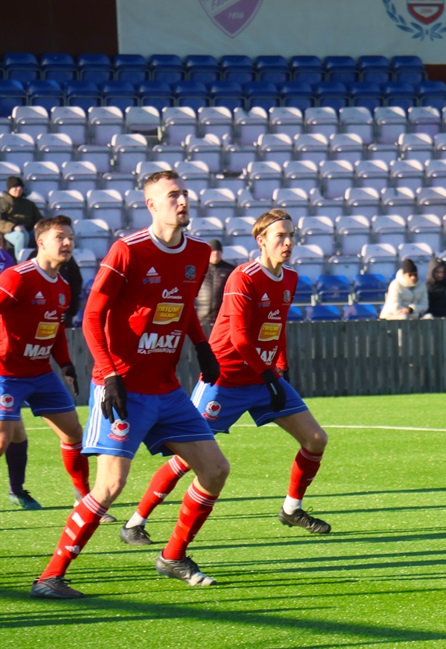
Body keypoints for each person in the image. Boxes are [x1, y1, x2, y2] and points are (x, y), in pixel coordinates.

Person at [30, 170, 227, 599]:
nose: (182, 200)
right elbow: (92, 317)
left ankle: (173, 557)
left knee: (215, 470)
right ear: (151, 205)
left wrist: (201, 346)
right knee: (110, 487)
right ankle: (50, 577)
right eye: (172, 195)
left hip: (166, 388)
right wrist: (110, 373)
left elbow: (182, 307)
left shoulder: (197, 251)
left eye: (184, 193)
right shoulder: (128, 250)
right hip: (122, 386)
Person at [119, 208, 332, 547]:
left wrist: (281, 366)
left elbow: (277, 326)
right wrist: (269, 375)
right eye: (281, 236)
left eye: (292, 236)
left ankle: (292, 509)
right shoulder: (243, 276)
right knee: (188, 459)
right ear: (261, 240)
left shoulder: (290, 278)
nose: (288, 242)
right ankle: (135, 522)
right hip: (225, 380)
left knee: (316, 439)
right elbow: (239, 337)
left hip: (263, 378)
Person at [0, 216, 109, 520]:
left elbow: (56, 329)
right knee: (2, 438)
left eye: (70, 237)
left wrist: (65, 363)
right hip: (6, 372)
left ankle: (83, 499)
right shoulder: (16, 277)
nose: (68, 243)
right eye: (60, 237)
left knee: (73, 432)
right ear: (41, 242)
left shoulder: (62, 286)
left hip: (40, 373)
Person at [0, 176, 44, 259]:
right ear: (9, 188)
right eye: (15, 186)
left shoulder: (29, 204)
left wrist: (39, 225)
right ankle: (20, 260)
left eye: (20, 186)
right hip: (8, 233)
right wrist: (13, 227)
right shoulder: (2, 202)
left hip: (29, 231)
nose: (19, 189)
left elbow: (39, 218)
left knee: (44, 235)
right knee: (22, 235)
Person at [196, 239, 236, 326]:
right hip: (202, 318)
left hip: (222, 319)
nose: (215, 255)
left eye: (218, 252)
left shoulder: (230, 270)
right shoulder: (199, 268)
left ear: (221, 253)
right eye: (213, 252)